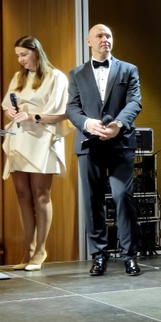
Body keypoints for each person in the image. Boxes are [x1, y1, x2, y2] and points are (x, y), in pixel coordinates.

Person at [66, 24, 143, 276]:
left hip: (120, 142)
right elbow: (72, 108)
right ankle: (99, 255)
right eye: (99, 36)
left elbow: (135, 101)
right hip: (89, 143)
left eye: (108, 35)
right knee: (92, 200)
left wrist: (118, 124)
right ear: (89, 41)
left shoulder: (128, 69)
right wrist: (88, 123)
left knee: (123, 196)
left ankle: (130, 256)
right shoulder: (76, 74)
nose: (105, 39)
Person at [1, 35, 71, 271]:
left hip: (43, 138)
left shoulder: (55, 76)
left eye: (24, 54)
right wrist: (12, 113)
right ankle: (28, 250)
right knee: (22, 195)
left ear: (36, 51)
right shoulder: (18, 77)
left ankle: (41, 250)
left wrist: (33, 116)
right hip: (19, 137)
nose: (20, 60)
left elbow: (63, 113)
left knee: (41, 195)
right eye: (18, 56)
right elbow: (7, 106)